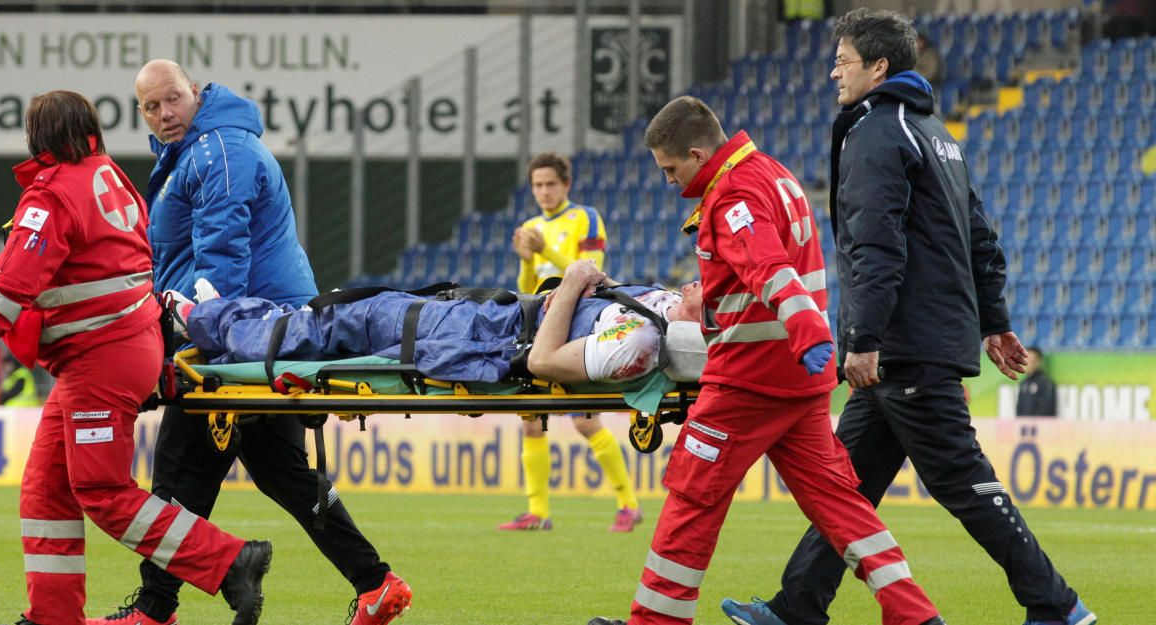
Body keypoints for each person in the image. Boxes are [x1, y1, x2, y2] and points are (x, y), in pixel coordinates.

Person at [722, 10, 1094, 625]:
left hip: (904, 346)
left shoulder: (876, 133)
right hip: (911, 341)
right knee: (845, 487)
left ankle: (1058, 605)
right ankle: (799, 606)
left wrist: (864, 337)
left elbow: (876, 246)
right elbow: (980, 238)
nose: (833, 71)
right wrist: (994, 320)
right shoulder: (936, 134)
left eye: (842, 61)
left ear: (878, 67)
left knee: (961, 481)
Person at [588, 95, 944, 625]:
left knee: (693, 497)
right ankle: (915, 615)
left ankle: (655, 622)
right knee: (841, 506)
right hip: (800, 383)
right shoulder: (773, 173)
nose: (668, 180)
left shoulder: (734, 194)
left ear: (696, 153)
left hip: (749, 380)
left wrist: (807, 330)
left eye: (670, 169)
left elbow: (768, 267)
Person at [0, 89, 270, 625]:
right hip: (121, 346)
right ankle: (53, 616)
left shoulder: (51, 196)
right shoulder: (109, 174)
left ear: (39, 136)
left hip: (99, 356)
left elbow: (11, 285)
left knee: (102, 490)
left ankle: (230, 561)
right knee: (46, 488)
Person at [89, 59, 409, 625]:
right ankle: (376, 584)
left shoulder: (216, 151)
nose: (165, 114)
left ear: (195, 91)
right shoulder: (201, 150)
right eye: (151, 107)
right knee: (285, 474)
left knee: (178, 477)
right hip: (263, 337)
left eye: (173, 99)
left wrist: (204, 336)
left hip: (234, 343)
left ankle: (155, 610)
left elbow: (222, 259)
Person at [177, 260, 705, 386]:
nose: (699, 280)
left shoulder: (637, 343)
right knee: (353, 314)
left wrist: (571, 284)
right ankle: (229, 322)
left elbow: (543, 362)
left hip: (485, 339)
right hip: (489, 319)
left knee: (355, 319)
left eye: (707, 291)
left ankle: (203, 320)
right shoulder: (663, 306)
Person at [508, 152, 641, 532]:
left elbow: (589, 272)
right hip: (539, 323)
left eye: (550, 184)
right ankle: (537, 512)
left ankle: (628, 504)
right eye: (537, 185)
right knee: (530, 420)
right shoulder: (531, 226)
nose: (544, 191)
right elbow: (527, 287)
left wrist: (543, 250)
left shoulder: (586, 217)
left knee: (584, 421)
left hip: (579, 322)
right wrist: (526, 260)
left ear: (566, 184)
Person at [1015, 347, 1057, 417]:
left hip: (1040, 423)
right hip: (1023, 423)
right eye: (1026, 359)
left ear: (1038, 362)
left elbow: (1048, 409)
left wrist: (1033, 421)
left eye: (1031, 360)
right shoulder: (1024, 383)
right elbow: (1019, 408)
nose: (1028, 363)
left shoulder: (1046, 383)